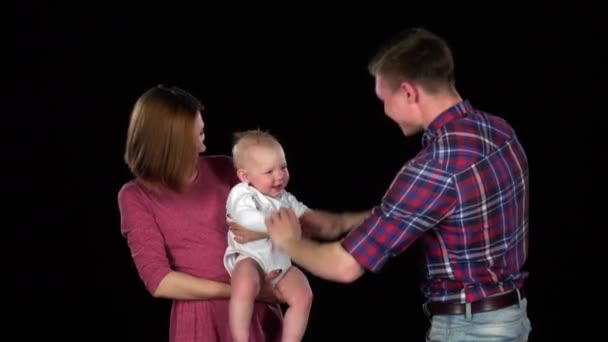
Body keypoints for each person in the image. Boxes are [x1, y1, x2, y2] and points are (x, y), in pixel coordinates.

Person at [265, 27, 532, 341]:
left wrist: (288, 242)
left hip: (470, 331)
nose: (384, 110)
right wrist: (340, 222)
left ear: (408, 92)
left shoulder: (435, 166)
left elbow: (344, 266)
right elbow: (445, 210)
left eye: (384, 99)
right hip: (510, 320)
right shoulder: (499, 131)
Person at [117, 84, 284, 341]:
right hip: (202, 318)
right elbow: (160, 281)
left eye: (202, 131)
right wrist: (239, 291)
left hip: (256, 306)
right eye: (197, 136)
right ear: (171, 143)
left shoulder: (227, 169)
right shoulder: (136, 196)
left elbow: (275, 225)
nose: (203, 145)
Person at [223, 129, 313, 342]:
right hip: (250, 258)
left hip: (280, 264)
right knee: (244, 282)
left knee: (303, 295)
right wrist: (286, 227)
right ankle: (240, 338)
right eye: (269, 171)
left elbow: (306, 217)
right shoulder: (242, 194)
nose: (279, 176)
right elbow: (247, 219)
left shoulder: (285, 198)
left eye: (283, 167)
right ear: (245, 176)